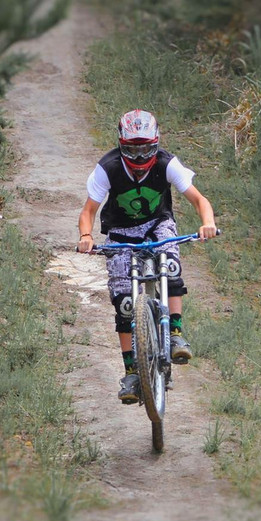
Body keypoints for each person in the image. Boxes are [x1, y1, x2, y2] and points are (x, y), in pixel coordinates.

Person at [78, 109, 218, 404]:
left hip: (157, 225)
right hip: (120, 234)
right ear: (121, 145)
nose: (140, 158)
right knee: (125, 303)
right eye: (132, 149)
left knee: (170, 264)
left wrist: (207, 223)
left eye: (146, 149)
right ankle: (131, 373)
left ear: (155, 143)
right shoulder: (108, 168)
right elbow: (89, 210)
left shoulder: (167, 163)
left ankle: (176, 332)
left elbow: (198, 199)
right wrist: (87, 237)